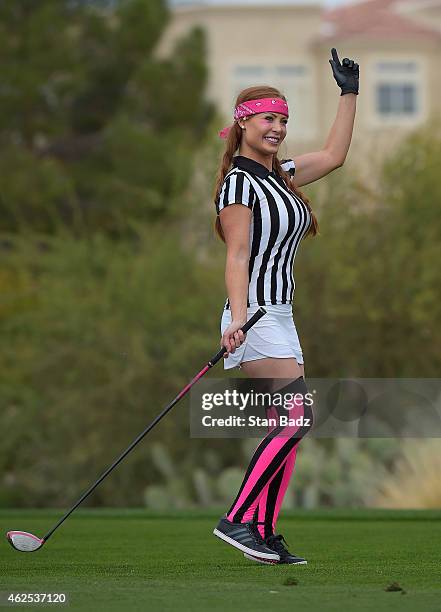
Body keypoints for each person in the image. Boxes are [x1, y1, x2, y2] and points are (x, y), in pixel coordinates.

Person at [212, 48, 359, 564]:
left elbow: (336, 155)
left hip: (280, 313)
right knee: (296, 416)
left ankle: (264, 531)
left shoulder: (284, 176)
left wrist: (348, 92)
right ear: (243, 123)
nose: (277, 127)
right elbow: (238, 255)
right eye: (268, 118)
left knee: (291, 420)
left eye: (283, 120)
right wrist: (237, 319)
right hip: (254, 313)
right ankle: (237, 520)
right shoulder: (238, 183)